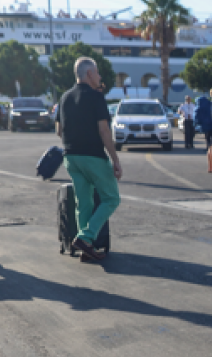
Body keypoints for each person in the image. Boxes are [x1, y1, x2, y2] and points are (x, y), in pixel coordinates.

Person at [54, 56, 122, 263]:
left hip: (71, 157)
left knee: (83, 202)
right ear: (89, 74)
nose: (100, 77)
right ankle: (85, 237)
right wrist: (115, 159)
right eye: (98, 73)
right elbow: (104, 131)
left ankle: (87, 247)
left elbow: (59, 130)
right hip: (92, 156)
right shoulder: (95, 97)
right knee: (111, 198)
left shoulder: (64, 97)